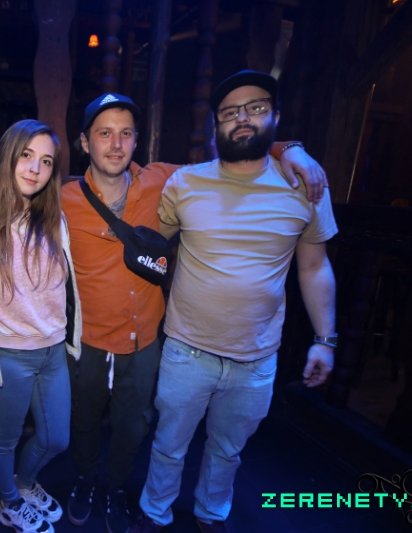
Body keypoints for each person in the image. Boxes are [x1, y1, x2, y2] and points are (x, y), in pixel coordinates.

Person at [0, 93, 326, 533]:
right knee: (82, 423)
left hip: (144, 339)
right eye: (104, 133)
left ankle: (116, 487)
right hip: (85, 341)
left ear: (137, 140)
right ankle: (85, 480)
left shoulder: (166, 180)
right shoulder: (60, 199)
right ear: (85, 142)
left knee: (133, 425)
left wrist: (285, 147)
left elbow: (231, 160)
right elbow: (1, 199)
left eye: (126, 133)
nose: (116, 144)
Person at [130, 70, 338, 533]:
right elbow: (152, 245)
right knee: (168, 444)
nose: (242, 118)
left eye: (255, 107)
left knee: (228, 451)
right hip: (187, 350)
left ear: (275, 116)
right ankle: (154, 513)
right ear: (216, 127)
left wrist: (325, 339)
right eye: (229, 112)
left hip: (256, 358)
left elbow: (314, 267)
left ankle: (211, 515)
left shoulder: (305, 185)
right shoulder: (185, 183)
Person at [0, 120, 83, 533]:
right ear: (8, 156)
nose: (35, 168)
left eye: (46, 161)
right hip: (7, 353)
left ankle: (24, 483)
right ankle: (9, 502)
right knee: (5, 439)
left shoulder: (54, 219)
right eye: (26, 156)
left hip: (52, 350)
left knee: (56, 439)